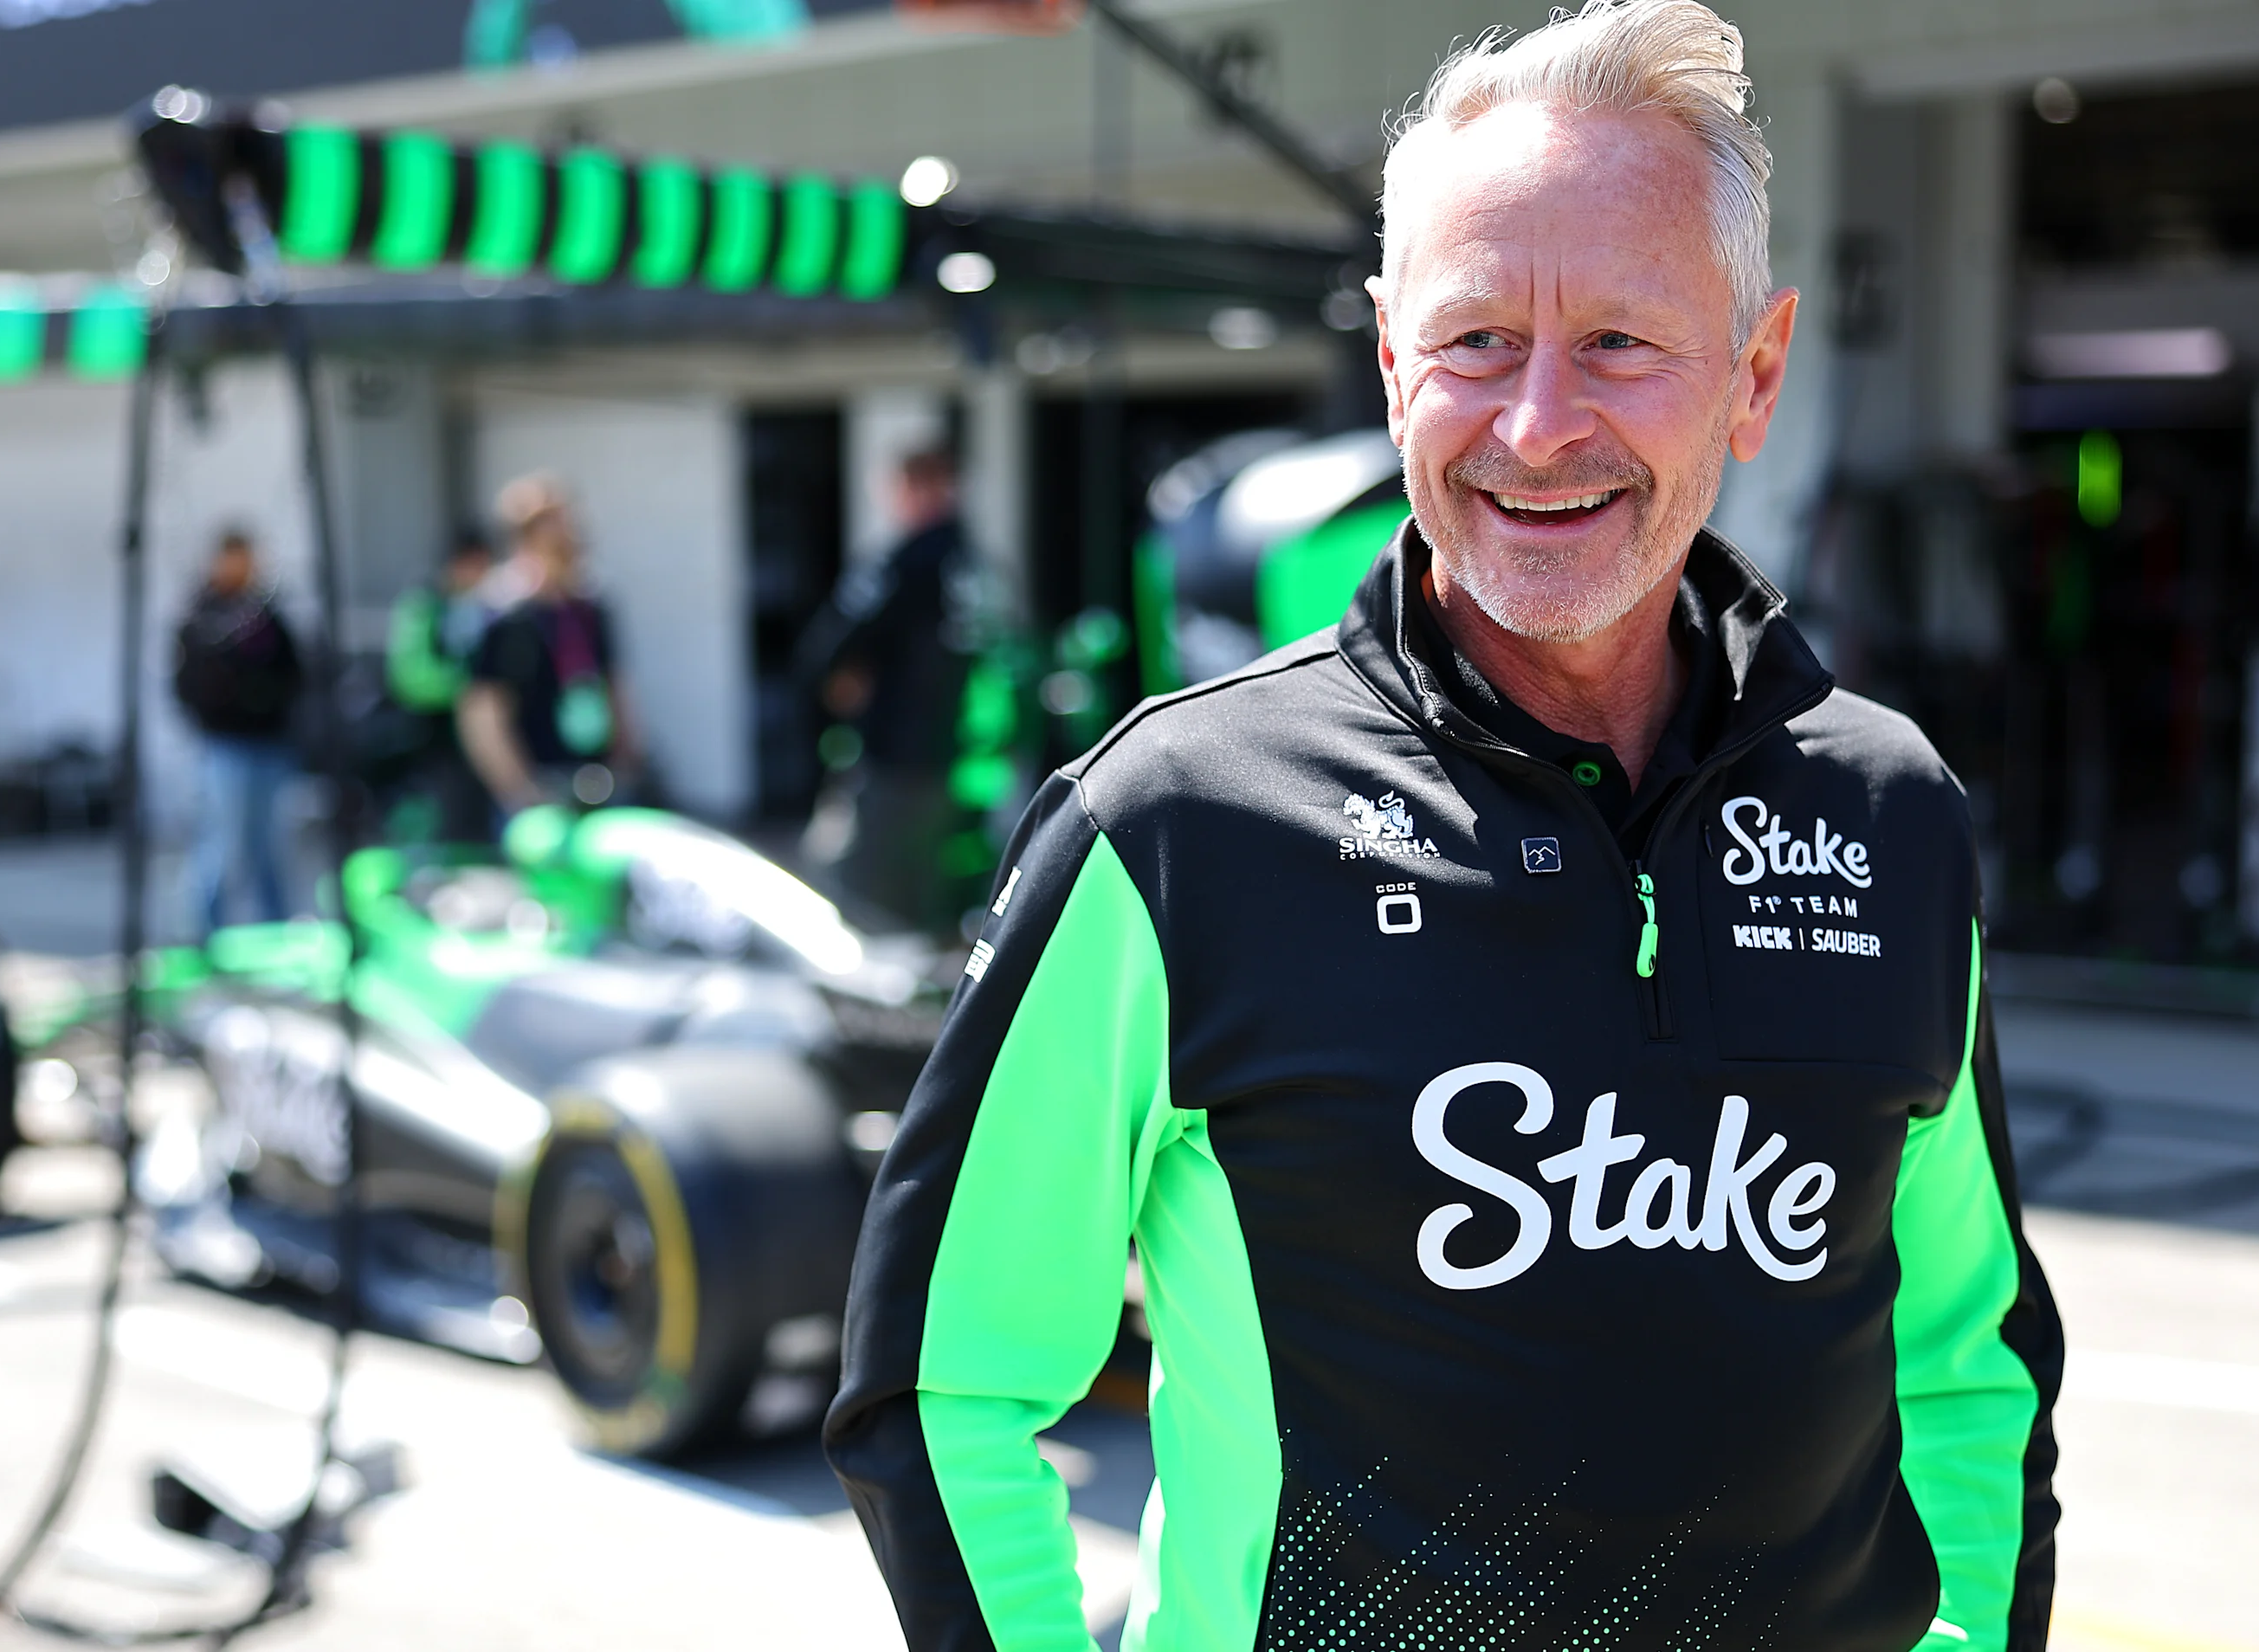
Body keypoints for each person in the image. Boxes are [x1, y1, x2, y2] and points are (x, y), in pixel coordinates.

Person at [826, 7, 2062, 1652]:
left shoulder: (1891, 815)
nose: (1538, 424)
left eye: (1622, 342)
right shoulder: (1179, 824)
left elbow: (1967, 1367)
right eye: (1478, 341)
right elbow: (942, 1381)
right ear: (1397, 361)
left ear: (1755, 376)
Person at [797, 445, 980, 931]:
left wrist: (844, 677)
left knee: (849, 886)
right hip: (954, 758)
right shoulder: (973, 564)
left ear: (913, 489)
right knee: (923, 891)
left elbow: (829, 647)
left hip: (894, 758)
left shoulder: (905, 562)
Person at [456, 476, 634, 816]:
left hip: (598, 780)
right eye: (555, 530)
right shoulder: (500, 614)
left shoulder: (589, 607)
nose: (569, 540)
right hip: (538, 788)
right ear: (526, 538)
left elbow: (612, 684)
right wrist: (522, 791)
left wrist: (626, 757)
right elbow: (482, 714)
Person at [171, 528, 304, 934]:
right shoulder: (202, 615)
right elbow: (191, 683)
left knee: (268, 847)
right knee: (223, 846)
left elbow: (296, 672)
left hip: (271, 745)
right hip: (227, 745)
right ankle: (204, 936)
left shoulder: (267, 615)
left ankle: (276, 933)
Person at [383, 526, 498, 842]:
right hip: (437, 741)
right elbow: (409, 675)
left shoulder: (488, 608)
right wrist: (468, 687)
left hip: (489, 740)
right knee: (451, 825)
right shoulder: (424, 604)